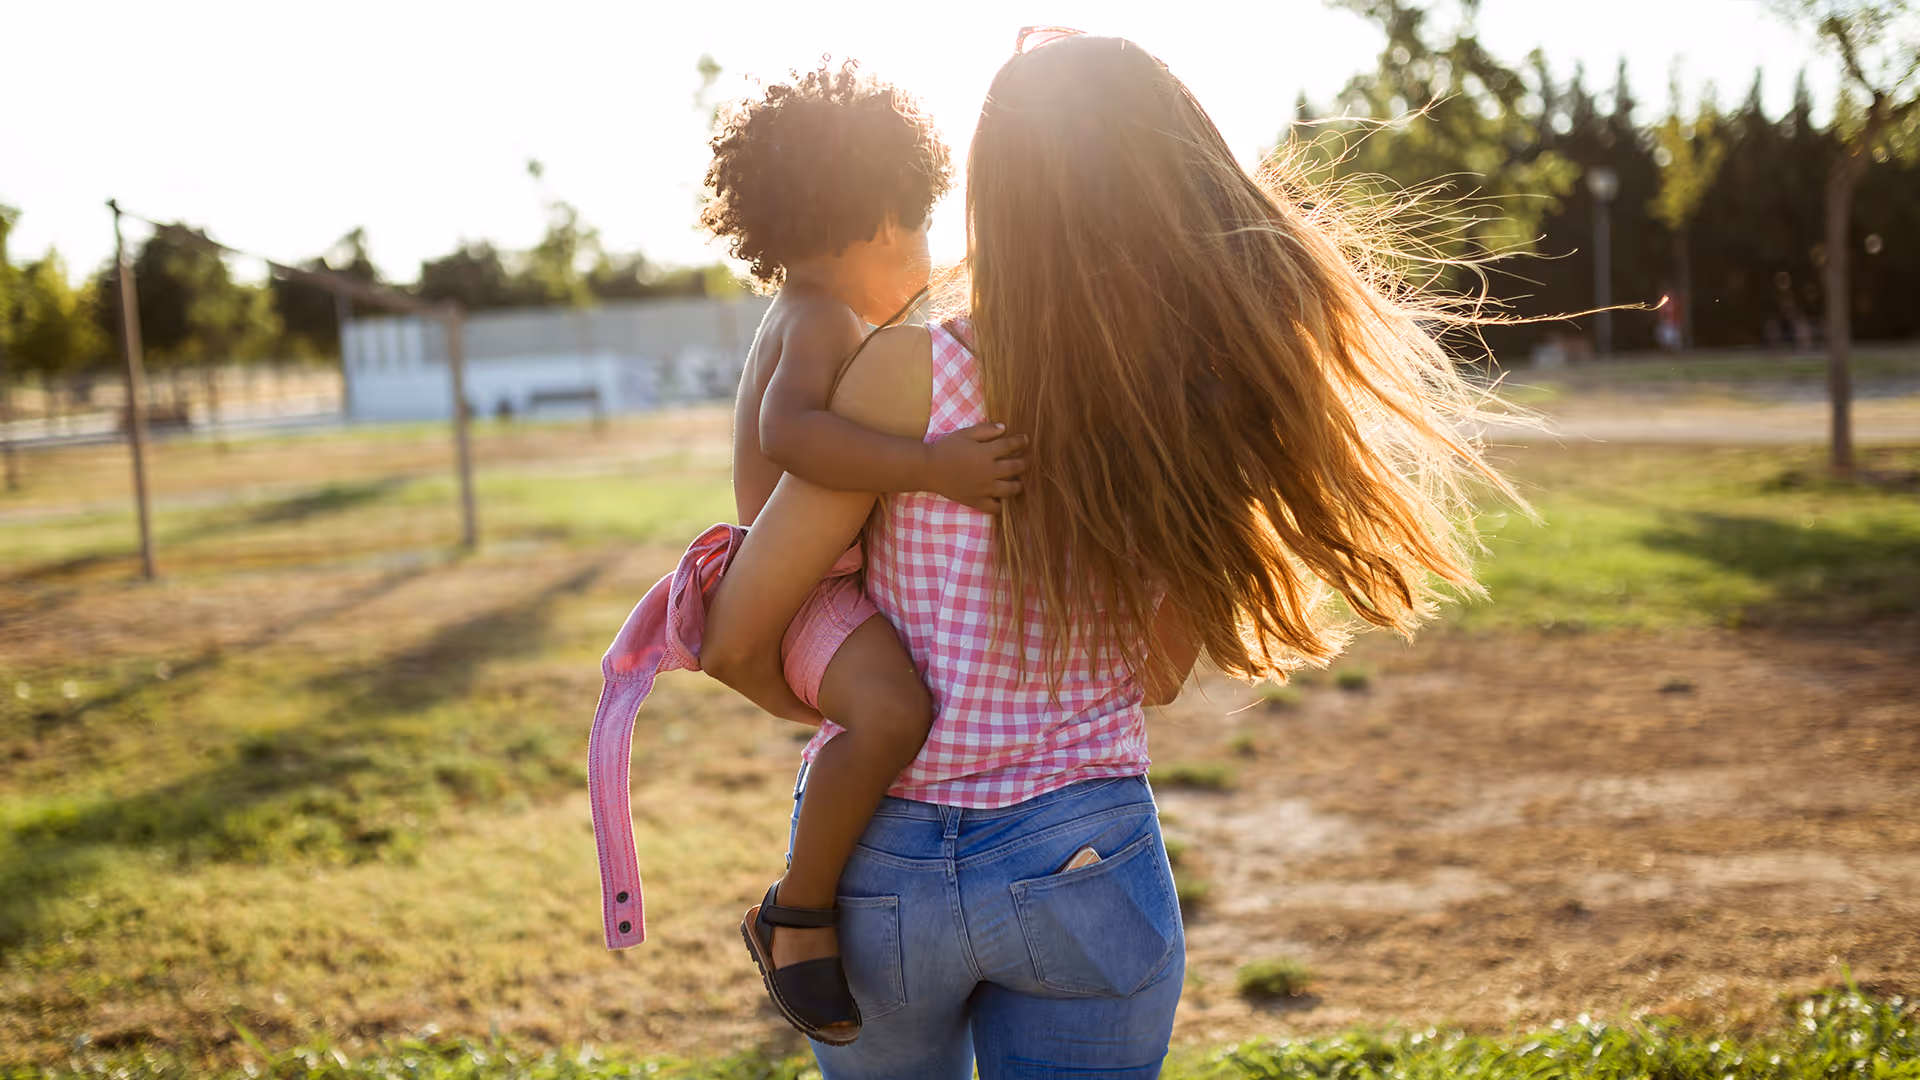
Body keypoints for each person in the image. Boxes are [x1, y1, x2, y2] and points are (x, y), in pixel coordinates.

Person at [701, 28, 1518, 1078]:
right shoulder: (1182, 404)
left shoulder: (903, 378)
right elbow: (1159, 676)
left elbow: (733, 644)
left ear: (996, 198)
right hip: (1086, 858)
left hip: (884, 863)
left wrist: (868, 716)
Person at [700, 62, 1027, 1044]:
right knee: (893, 712)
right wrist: (930, 467)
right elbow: (795, 433)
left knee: (893, 711)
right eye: (924, 228)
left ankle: (814, 895)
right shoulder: (818, 317)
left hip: (822, 587)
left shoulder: (817, 312)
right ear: (882, 217)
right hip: (803, 594)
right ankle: (795, 911)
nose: (929, 259)